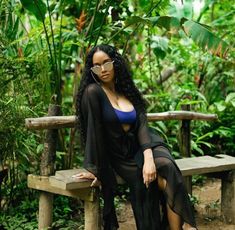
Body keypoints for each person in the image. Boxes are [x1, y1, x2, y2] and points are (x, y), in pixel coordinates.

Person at [74, 44, 197, 230]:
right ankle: (185, 226)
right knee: (163, 182)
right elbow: (94, 130)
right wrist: (95, 168)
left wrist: (148, 158)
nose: (103, 69)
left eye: (106, 63)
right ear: (92, 70)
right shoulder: (93, 92)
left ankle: (186, 226)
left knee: (167, 166)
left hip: (146, 144)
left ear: (115, 62)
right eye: (96, 66)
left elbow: (141, 121)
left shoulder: (126, 89)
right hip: (121, 155)